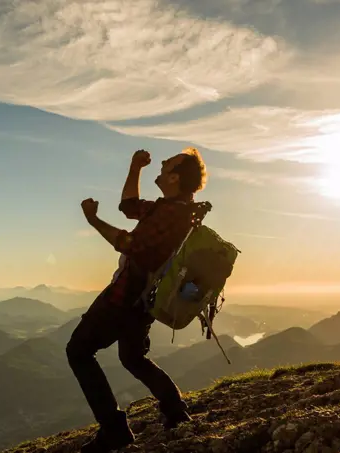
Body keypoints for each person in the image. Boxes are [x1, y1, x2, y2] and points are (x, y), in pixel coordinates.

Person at [66, 147, 208, 453]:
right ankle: (175, 411)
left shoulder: (172, 214)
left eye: (168, 163)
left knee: (78, 351)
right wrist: (134, 167)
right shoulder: (171, 207)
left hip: (126, 296)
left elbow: (129, 244)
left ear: (173, 177)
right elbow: (129, 206)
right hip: (144, 299)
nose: (162, 163)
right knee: (132, 358)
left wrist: (93, 221)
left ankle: (115, 431)